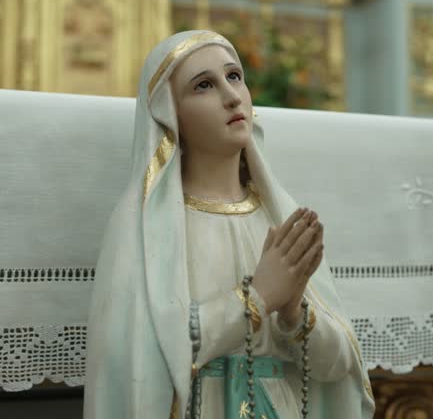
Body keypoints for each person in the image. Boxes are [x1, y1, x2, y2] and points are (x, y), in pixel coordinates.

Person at [84, 30, 374, 418]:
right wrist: (257, 300)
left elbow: (337, 368)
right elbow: (138, 358)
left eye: (234, 76)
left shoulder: (276, 215)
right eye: (204, 85)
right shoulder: (142, 226)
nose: (232, 96)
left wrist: (292, 313)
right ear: (170, 114)